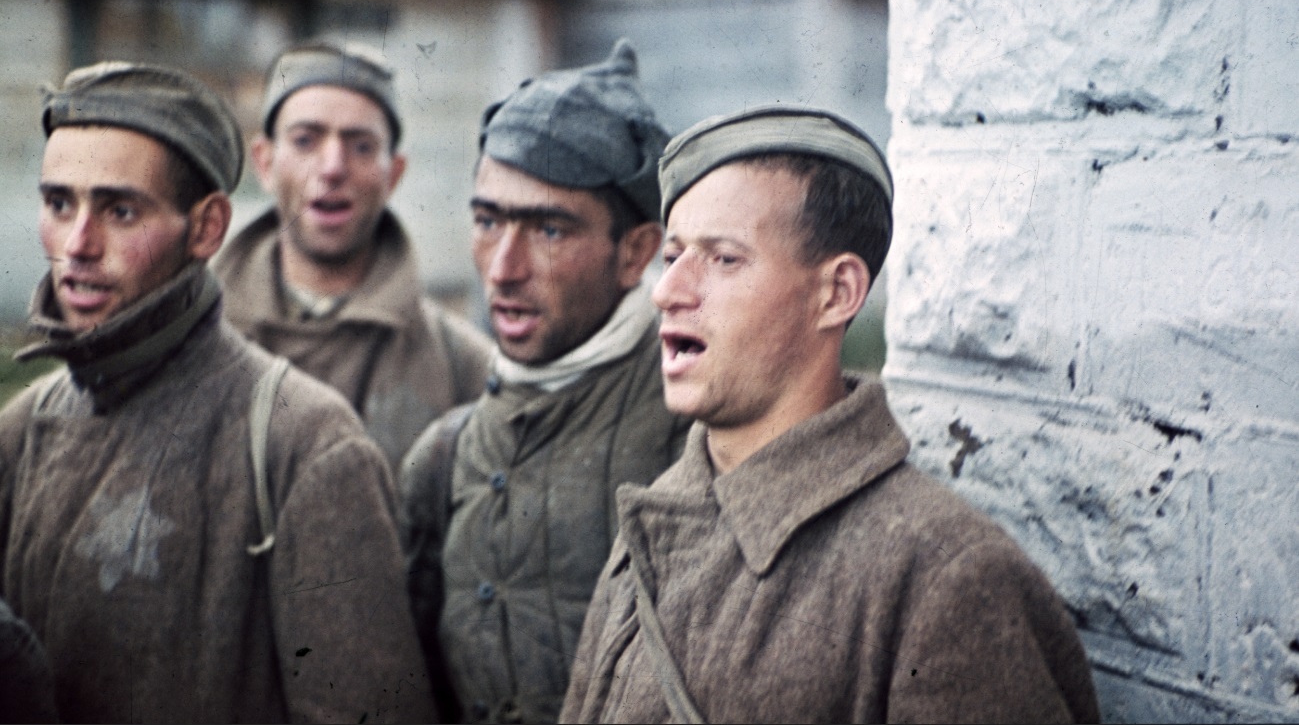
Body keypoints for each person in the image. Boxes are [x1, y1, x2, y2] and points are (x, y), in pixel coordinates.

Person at [562, 106, 1101, 723]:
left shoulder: (946, 578)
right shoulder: (653, 520)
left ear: (837, 293)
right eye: (674, 255)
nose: (667, 291)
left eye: (723, 259)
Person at [0, 62, 435, 722]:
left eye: (120, 209)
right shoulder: (20, 431)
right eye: (60, 204)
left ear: (206, 228)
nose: (78, 245)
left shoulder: (304, 444)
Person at [401, 40, 691, 724]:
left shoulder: (699, 438)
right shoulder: (443, 457)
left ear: (637, 252)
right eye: (488, 220)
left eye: (550, 230)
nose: (502, 266)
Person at [215, 40, 492, 474]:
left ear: (393, 173)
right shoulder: (202, 339)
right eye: (306, 140)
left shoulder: (461, 366)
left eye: (361, 146)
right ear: (265, 163)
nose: (332, 167)